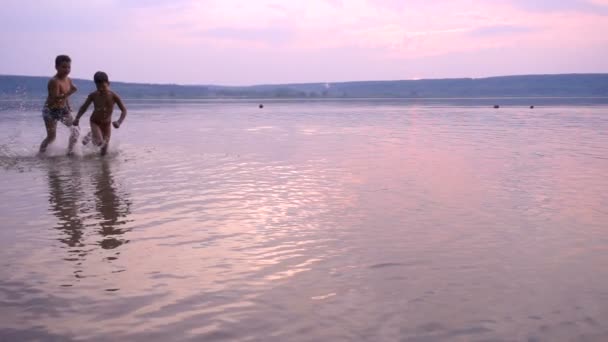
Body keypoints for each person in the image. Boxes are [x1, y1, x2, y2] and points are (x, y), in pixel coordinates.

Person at [73, 71, 127, 156]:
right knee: (100, 142)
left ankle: (102, 165)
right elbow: (84, 107)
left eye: (103, 87)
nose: (101, 89)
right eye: (98, 87)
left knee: (104, 150)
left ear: (108, 83)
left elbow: (124, 110)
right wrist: (77, 118)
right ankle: (92, 135)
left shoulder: (114, 96)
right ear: (95, 85)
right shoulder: (93, 95)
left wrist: (119, 122)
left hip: (106, 124)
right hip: (95, 122)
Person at [39, 55, 79, 155]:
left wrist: (68, 107)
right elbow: (55, 98)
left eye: (69, 67)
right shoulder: (54, 81)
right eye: (64, 67)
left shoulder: (68, 80)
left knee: (76, 131)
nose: (67, 69)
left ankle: (70, 151)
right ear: (56, 67)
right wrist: (70, 92)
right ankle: (40, 154)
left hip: (63, 109)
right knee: (51, 137)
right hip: (50, 111)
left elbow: (65, 96)